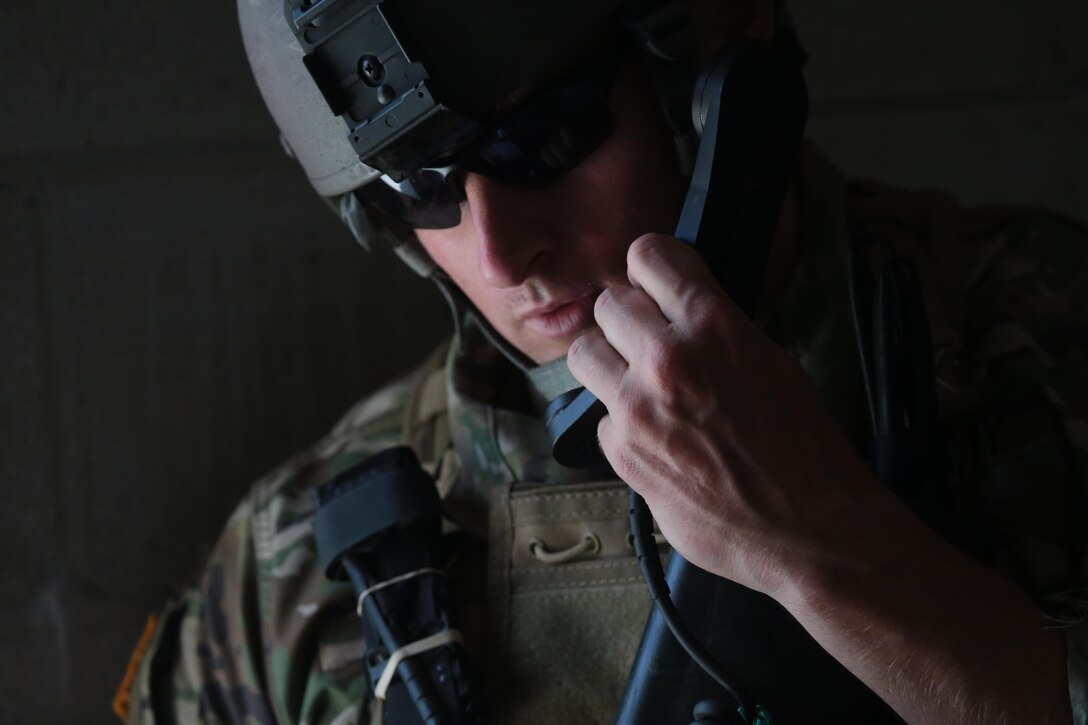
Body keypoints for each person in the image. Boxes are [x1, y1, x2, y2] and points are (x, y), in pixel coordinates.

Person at [116, 0, 1088, 723]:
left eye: (540, 141)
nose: (498, 253)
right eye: (421, 188)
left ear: (710, 70)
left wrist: (822, 548)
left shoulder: (1046, 336)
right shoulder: (293, 566)